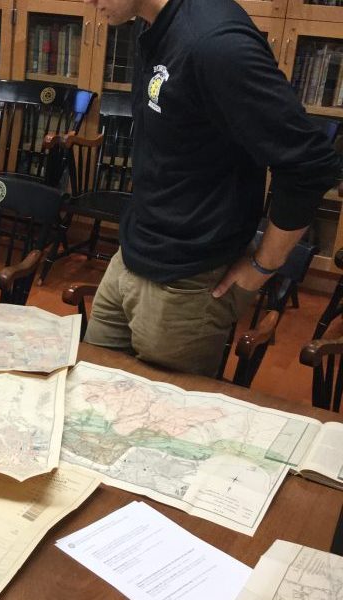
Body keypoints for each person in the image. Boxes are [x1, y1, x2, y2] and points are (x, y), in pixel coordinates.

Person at [82, 0, 340, 377]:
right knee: (90, 392)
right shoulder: (153, 22)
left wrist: (261, 266)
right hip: (132, 255)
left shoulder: (215, 45)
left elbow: (311, 163)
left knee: (158, 427)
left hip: (188, 281)